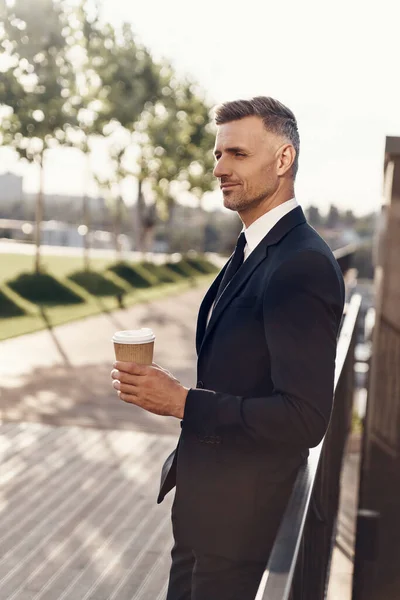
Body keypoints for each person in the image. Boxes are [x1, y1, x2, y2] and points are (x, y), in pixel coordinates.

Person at [110, 96, 345, 600]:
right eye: (218, 155)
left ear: (283, 160)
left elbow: (306, 418)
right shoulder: (252, 248)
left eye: (236, 154)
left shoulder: (301, 264)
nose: (219, 168)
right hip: (205, 515)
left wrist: (183, 402)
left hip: (241, 528)